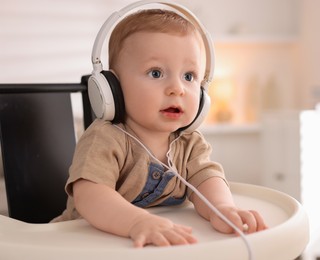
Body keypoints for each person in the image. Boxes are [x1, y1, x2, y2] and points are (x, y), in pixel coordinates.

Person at [52, 6, 267, 248]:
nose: (177, 88)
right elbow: (90, 195)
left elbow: (206, 179)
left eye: (189, 76)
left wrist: (222, 208)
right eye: (156, 73)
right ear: (112, 88)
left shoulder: (189, 142)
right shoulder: (105, 138)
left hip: (158, 246)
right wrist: (137, 222)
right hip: (85, 246)